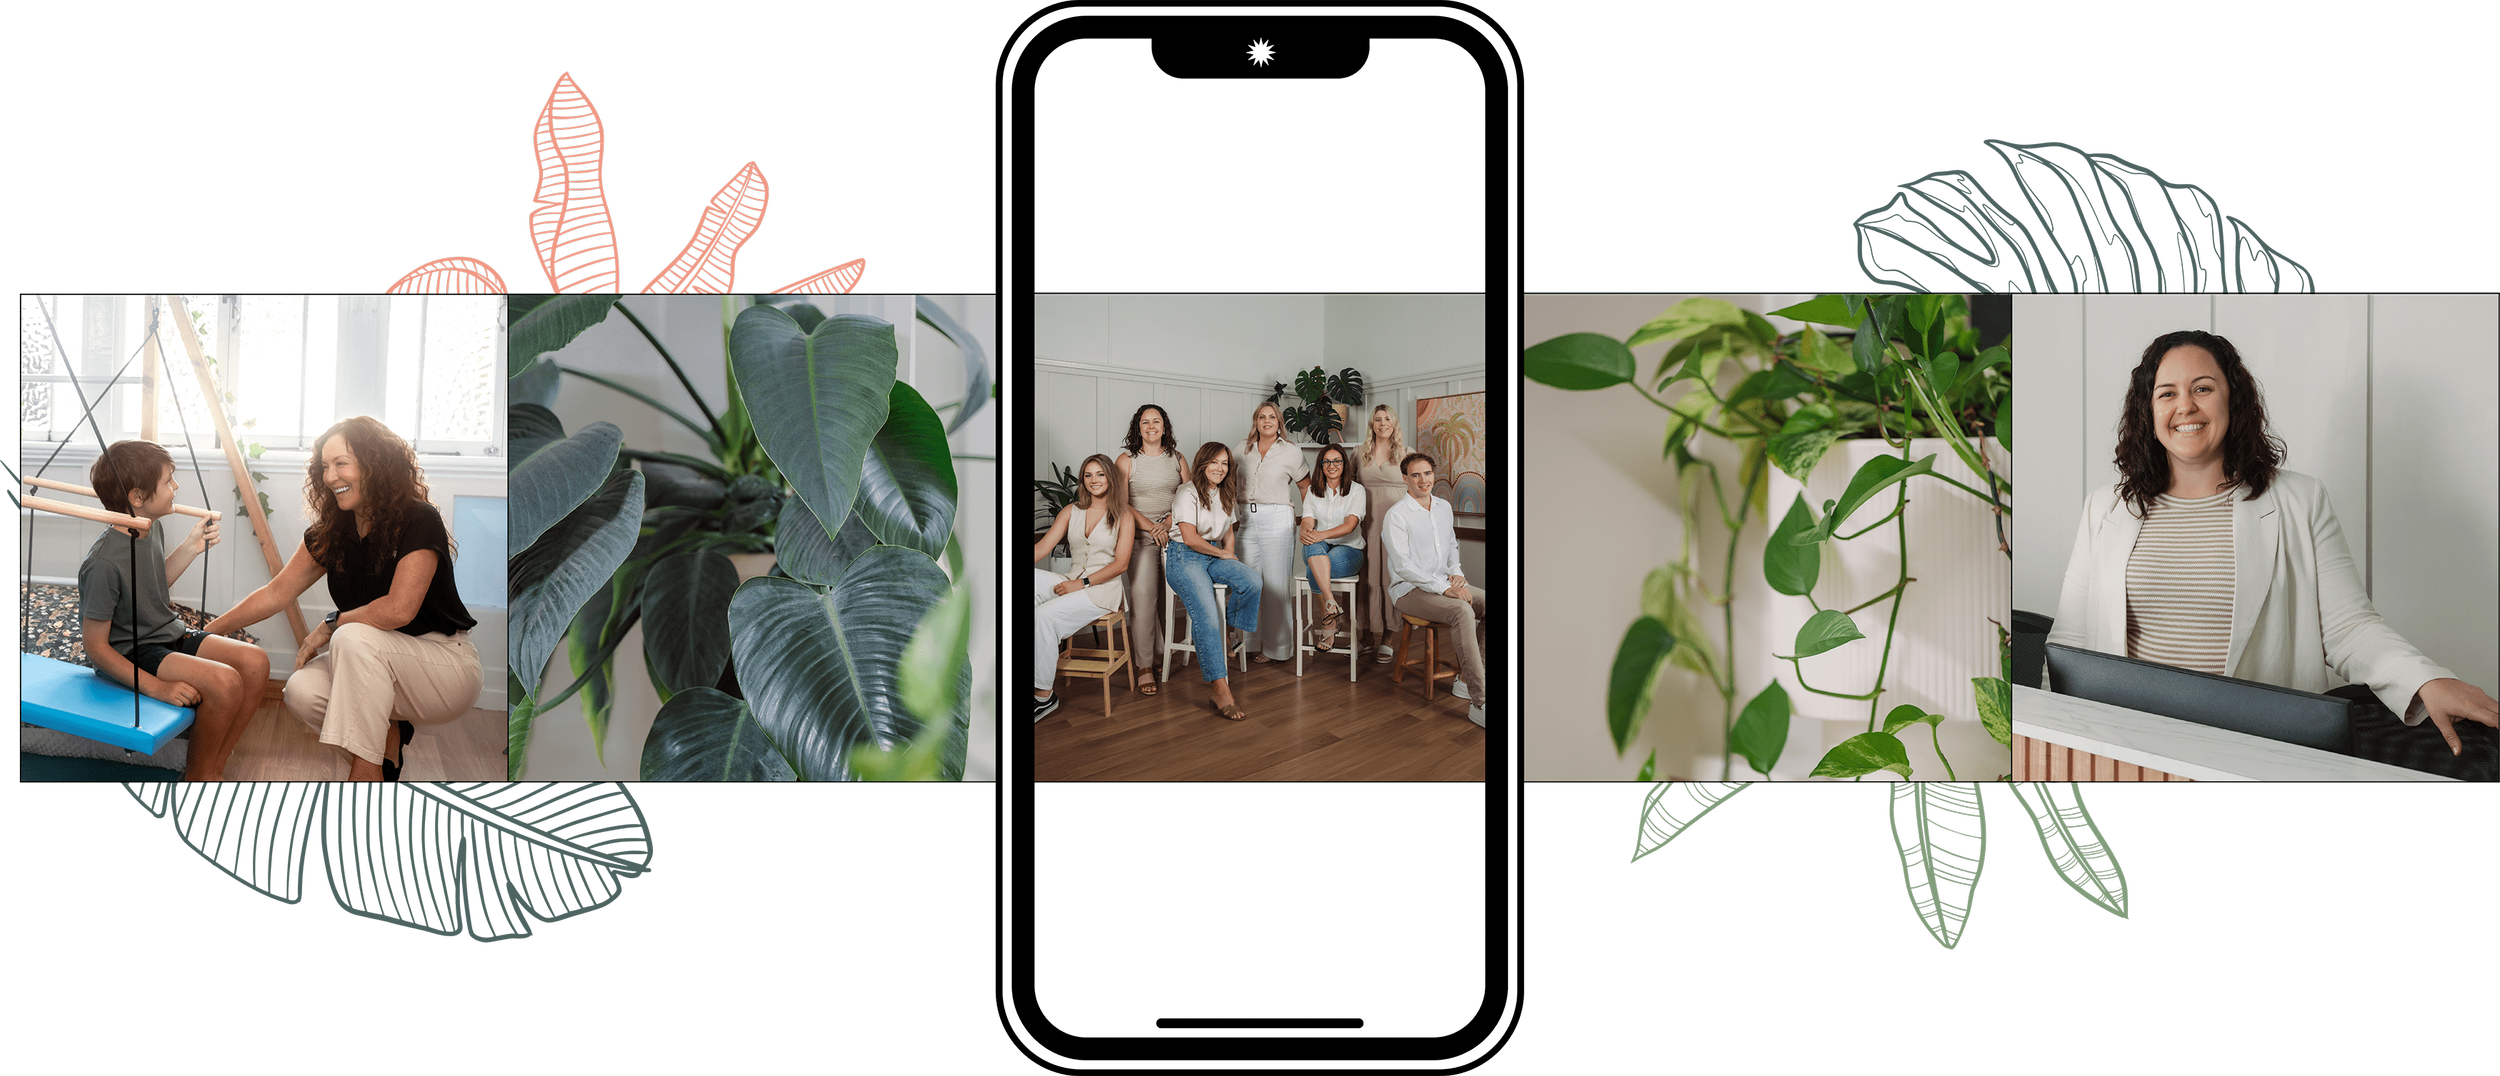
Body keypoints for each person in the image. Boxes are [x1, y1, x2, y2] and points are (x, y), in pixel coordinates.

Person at [2048, 329, 2498, 764]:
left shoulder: (2300, 500)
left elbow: (2349, 629)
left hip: (2251, 756)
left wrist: (2425, 681)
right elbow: (2069, 643)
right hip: (2128, 750)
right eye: (2167, 393)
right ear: (2148, 410)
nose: (2185, 405)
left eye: (2203, 388)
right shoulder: (2103, 509)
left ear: (2233, 399)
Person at [207, 416, 481, 781]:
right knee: (301, 691)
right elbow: (275, 593)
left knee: (350, 636)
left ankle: (362, 782)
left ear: (375, 465)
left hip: (443, 665)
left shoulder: (419, 519)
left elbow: (399, 609)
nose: (330, 476)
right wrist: (205, 633)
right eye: (324, 466)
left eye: (342, 463)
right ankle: (385, 749)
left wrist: (331, 625)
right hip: (372, 661)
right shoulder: (333, 531)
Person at [78, 440, 268, 782]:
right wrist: (155, 687)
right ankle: (198, 776)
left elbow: (154, 584)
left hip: (166, 633)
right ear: (137, 497)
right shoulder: (102, 563)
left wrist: (192, 547)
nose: (176, 487)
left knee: (255, 662)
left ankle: (214, 767)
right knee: (225, 682)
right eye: (168, 481)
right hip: (134, 650)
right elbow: (96, 648)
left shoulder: (150, 528)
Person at [1383, 451, 1488, 727]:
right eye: (1415, 475)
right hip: (1409, 591)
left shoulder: (1443, 507)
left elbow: (1451, 545)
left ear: (1433, 474)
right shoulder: (1396, 516)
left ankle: (1466, 680)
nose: (1423, 480)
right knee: (1462, 611)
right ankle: (1481, 701)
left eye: (1427, 473)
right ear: (1405, 478)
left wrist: (1457, 574)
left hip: (1443, 582)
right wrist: (1444, 589)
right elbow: (1404, 567)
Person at [1030, 454, 1135, 722]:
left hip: (1102, 590)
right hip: (1071, 579)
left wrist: (1082, 583)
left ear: (1110, 478)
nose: (1093, 480)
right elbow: (1042, 547)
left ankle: (1043, 697)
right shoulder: (1071, 511)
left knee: (1042, 617)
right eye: (1088, 475)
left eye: (1100, 474)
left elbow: (1121, 564)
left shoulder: (1124, 515)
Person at [1166, 441, 1260, 720]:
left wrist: (1230, 555)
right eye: (1214, 462)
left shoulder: (1225, 492)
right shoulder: (1187, 492)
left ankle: (1227, 634)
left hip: (1212, 555)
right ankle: (1220, 689)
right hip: (1184, 558)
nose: (1220, 468)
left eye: (1225, 463)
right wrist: (1222, 554)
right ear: (1202, 463)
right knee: (1207, 616)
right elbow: (1190, 538)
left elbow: (1229, 531)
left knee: (1252, 582)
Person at [1115, 404, 1183, 697]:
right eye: (1145, 422)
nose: (1151, 426)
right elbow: (1121, 503)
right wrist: (1152, 527)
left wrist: (1166, 524)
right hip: (1139, 536)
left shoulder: (1177, 459)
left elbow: (1189, 497)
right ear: (1138, 428)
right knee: (1143, 598)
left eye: (1157, 421)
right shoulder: (1126, 460)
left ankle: (1161, 654)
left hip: (1173, 535)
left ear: (1165, 427)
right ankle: (1144, 665)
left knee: (1168, 599)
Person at [1299, 443, 1366, 652]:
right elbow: (1307, 519)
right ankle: (1331, 604)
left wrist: (1320, 534)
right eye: (1326, 461)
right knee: (1312, 545)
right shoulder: (1313, 490)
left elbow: (1350, 525)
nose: (1332, 465)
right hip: (1319, 547)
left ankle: (1329, 622)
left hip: (1350, 550)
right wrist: (1306, 531)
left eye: (1337, 461)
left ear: (1344, 464)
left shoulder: (1356, 490)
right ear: (1321, 465)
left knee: (1312, 569)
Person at [1356, 403, 1410, 663]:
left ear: (1394, 423)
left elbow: (1418, 490)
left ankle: (1388, 638)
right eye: (1378, 419)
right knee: (1365, 576)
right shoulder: (1359, 453)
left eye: (1388, 419)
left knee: (1391, 577)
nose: (1383, 423)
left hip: (1396, 527)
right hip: (1364, 525)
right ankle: (1365, 635)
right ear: (1372, 424)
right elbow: (1346, 488)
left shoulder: (1407, 454)